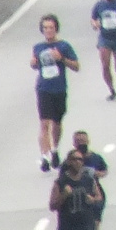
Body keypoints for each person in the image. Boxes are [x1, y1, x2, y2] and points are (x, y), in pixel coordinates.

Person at [33, 14, 80, 170]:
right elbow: (35, 64)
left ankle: (54, 150)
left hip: (59, 89)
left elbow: (76, 66)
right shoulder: (38, 48)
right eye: (45, 28)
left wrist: (61, 59)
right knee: (44, 123)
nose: (48, 30)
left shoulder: (64, 46)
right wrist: (33, 63)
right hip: (43, 88)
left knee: (57, 123)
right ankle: (45, 157)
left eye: (51, 27)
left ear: (56, 29)